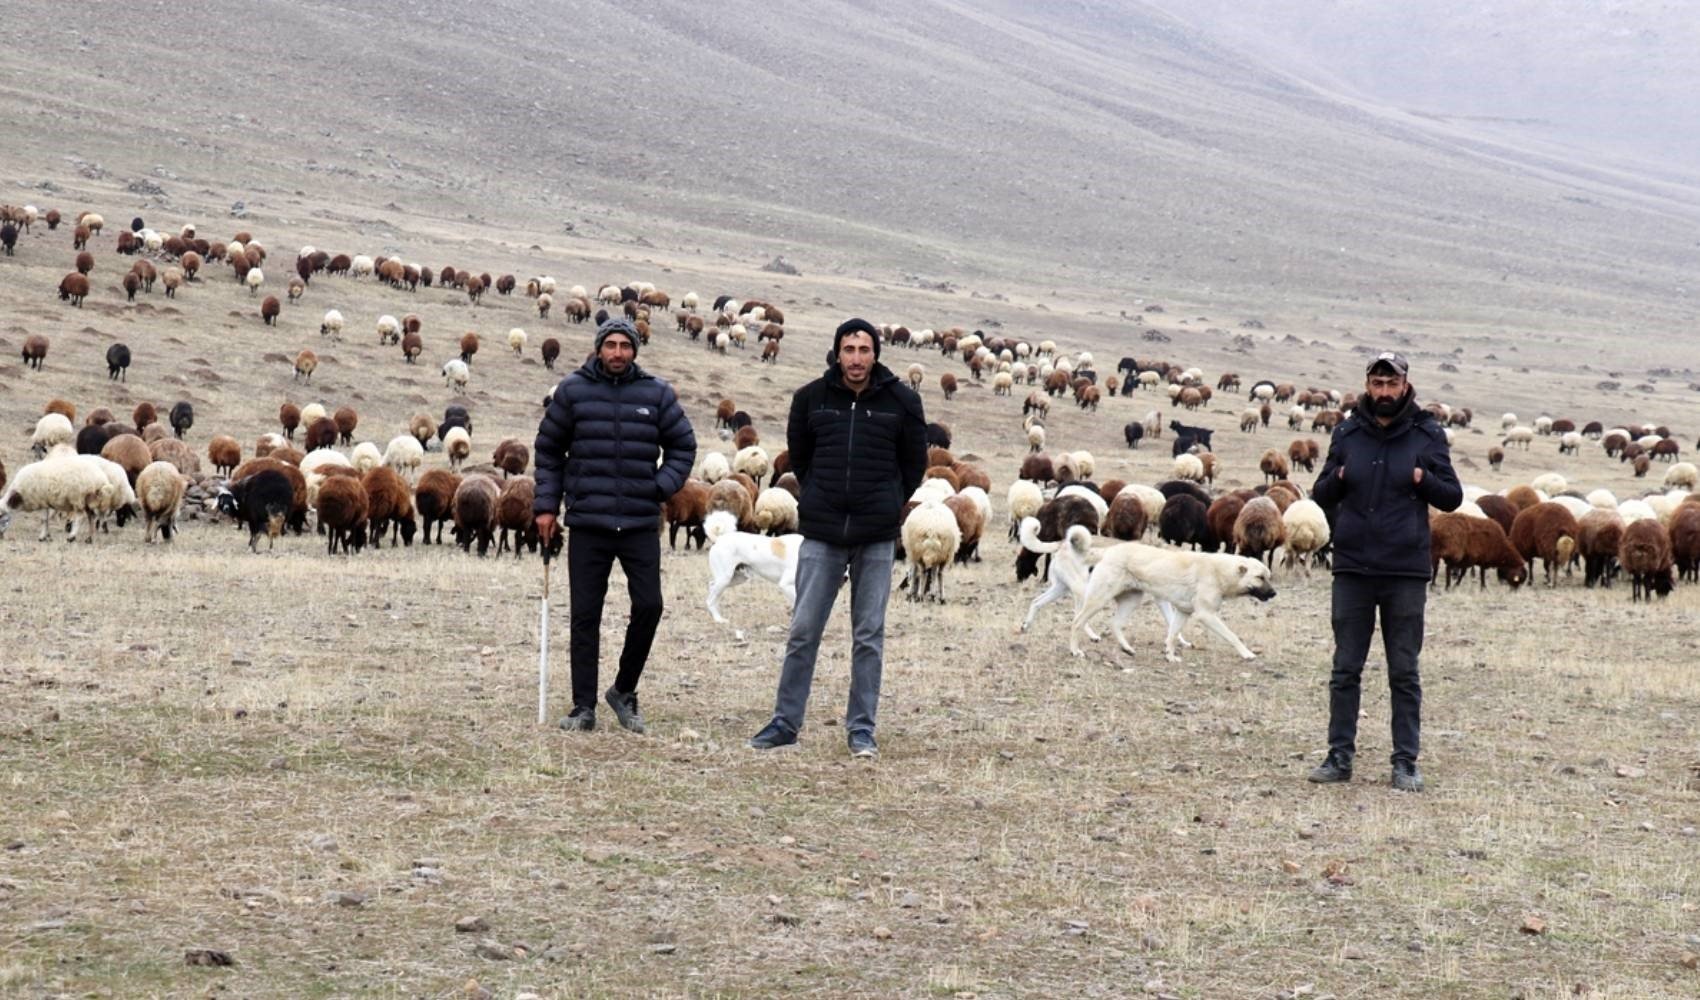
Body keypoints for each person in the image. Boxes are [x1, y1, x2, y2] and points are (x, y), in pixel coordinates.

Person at [747, 318, 928, 758]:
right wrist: (820, 497)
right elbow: (801, 459)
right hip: (823, 534)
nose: (856, 358)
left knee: (868, 634)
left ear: (876, 354)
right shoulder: (811, 399)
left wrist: (888, 502)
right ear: (837, 352)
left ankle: (861, 729)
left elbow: (913, 465)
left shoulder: (902, 402)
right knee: (804, 630)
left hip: (875, 535)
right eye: (849, 349)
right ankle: (785, 723)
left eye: (864, 350)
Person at [534, 316, 696, 734]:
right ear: (599, 348)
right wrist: (546, 507)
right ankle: (582, 706)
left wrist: (659, 487)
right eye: (611, 345)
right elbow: (549, 451)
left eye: (626, 345)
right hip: (589, 520)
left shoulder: (656, 393)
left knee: (650, 606)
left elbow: (683, 445)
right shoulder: (572, 391)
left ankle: (623, 690)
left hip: (640, 521)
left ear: (635, 350)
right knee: (585, 615)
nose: (618, 353)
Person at [1308, 351, 1461, 791]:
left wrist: (1423, 481)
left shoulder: (1427, 433)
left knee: (1404, 671)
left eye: (1392, 384)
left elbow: (1451, 496)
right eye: (1378, 384)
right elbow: (1321, 492)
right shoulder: (1348, 430)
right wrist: (1336, 480)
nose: (1384, 392)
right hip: (1354, 566)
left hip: (1405, 569)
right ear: (1368, 385)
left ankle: (1405, 761)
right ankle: (1339, 757)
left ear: (1405, 384)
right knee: (1345, 669)